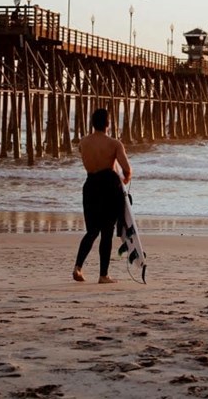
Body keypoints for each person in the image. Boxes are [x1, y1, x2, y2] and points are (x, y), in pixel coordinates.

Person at [72, 108, 132, 284]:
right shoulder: (114, 144)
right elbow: (127, 170)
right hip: (109, 187)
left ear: (92, 123)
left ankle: (78, 266)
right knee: (106, 232)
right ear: (108, 123)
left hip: (90, 186)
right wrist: (124, 179)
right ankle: (103, 275)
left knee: (91, 231)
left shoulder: (83, 142)